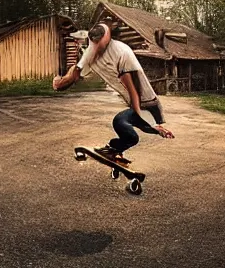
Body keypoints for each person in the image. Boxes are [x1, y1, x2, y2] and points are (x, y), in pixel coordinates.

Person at [53, 23, 174, 164]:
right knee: (128, 130)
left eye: (100, 46)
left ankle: (113, 149)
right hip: (135, 104)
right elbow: (74, 74)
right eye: (94, 45)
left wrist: (152, 123)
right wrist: (58, 83)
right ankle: (116, 151)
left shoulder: (121, 52)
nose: (96, 50)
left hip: (147, 104)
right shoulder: (90, 53)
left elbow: (133, 90)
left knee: (122, 124)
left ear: (106, 41)